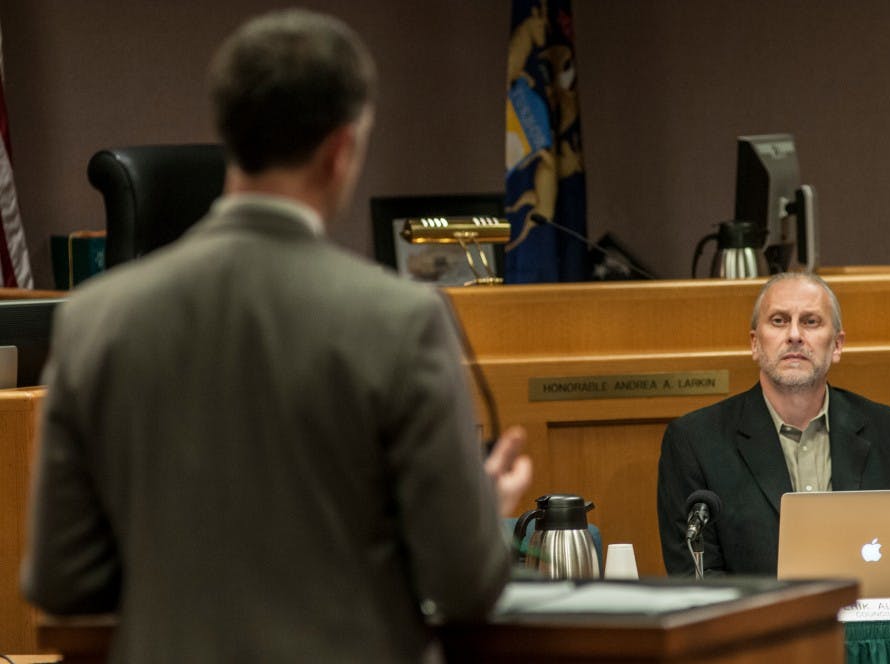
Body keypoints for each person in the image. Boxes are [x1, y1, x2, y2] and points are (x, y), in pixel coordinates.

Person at [21, 10, 531, 663]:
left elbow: (61, 582)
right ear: (341, 149)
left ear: (230, 134)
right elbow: (463, 585)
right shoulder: (399, 320)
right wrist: (482, 512)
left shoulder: (96, 318)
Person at [657, 272, 890, 576]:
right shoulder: (696, 442)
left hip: (870, 620)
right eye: (779, 321)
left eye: (811, 321)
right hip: (756, 622)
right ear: (755, 344)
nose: (795, 335)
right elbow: (697, 578)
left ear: (837, 345)